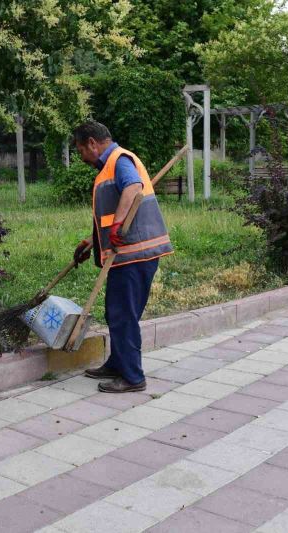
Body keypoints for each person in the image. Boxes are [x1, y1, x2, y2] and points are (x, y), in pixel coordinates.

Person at [72, 121, 174, 393]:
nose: (82, 157)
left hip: (135, 253)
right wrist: (92, 242)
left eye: (81, 149)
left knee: (123, 314)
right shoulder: (109, 166)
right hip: (124, 254)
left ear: (92, 143)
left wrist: (117, 226)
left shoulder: (119, 160)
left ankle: (132, 377)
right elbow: (110, 211)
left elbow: (132, 188)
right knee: (116, 312)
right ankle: (118, 363)